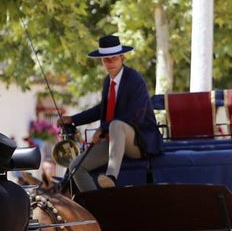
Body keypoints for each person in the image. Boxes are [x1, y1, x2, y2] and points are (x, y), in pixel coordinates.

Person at [60, 35, 162, 192]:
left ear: (122, 58)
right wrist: (73, 119)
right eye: (106, 59)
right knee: (76, 167)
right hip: (113, 141)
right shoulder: (108, 81)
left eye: (114, 58)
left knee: (116, 125)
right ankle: (97, 207)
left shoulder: (135, 79)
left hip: (138, 142)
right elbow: (101, 109)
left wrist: (104, 128)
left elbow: (135, 114)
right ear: (102, 61)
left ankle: (111, 176)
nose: (111, 62)